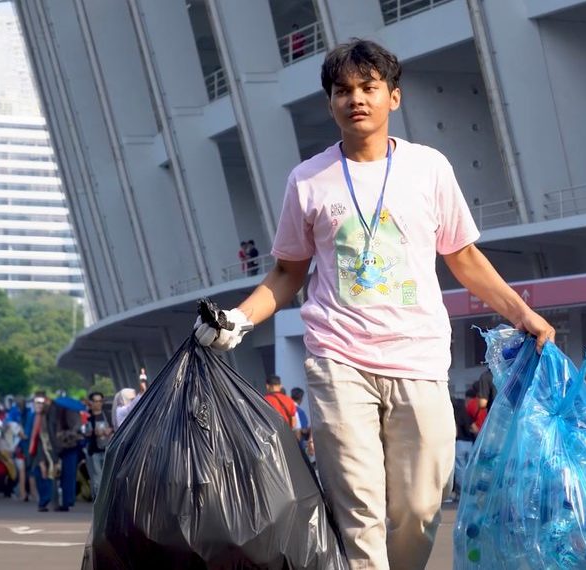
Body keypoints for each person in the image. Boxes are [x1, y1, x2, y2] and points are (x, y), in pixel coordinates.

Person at [193, 39, 555, 569]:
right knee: (359, 510)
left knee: (418, 507)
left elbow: (464, 257)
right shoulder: (307, 181)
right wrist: (238, 320)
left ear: (394, 97)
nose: (355, 99)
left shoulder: (428, 169)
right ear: (330, 103)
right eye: (343, 90)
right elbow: (288, 272)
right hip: (338, 360)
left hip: (420, 360)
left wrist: (524, 315)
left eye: (369, 87)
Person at [48, 394, 85, 512]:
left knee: (61, 475)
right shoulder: (74, 412)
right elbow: (77, 429)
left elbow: (53, 429)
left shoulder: (57, 412)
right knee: (69, 475)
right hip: (71, 446)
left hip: (62, 446)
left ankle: (64, 501)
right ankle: (68, 500)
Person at [26, 396, 55, 512]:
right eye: (36, 403)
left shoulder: (46, 418)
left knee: (44, 475)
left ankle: (44, 500)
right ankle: (43, 500)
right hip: (33, 450)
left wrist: (42, 458)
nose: (38, 405)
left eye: (41, 403)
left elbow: (46, 438)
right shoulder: (32, 416)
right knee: (38, 475)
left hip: (44, 450)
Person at [84, 391, 113, 500]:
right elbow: (83, 430)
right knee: (96, 477)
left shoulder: (107, 414)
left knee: (108, 475)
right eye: (95, 401)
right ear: (91, 402)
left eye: (100, 401)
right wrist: (92, 432)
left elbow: (115, 427)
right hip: (94, 450)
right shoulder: (87, 415)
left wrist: (109, 430)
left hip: (107, 448)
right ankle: (98, 499)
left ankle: (107, 498)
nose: (98, 404)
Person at [452, 387, 478, 502]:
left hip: (460, 443)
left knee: (460, 469)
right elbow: (474, 428)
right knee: (470, 469)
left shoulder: (455, 416)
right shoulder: (467, 414)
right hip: (470, 444)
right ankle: (471, 492)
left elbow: (456, 431)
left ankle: (461, 494)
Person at [7, 396, 32, 502]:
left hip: (19, 447)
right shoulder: (29, 413)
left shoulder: (13, 414)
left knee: (22, 471)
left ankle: (23, 493)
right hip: (25, 446)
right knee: (27, 471)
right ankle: (27, 493)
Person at [291, 387, 315, 462]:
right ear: (301, 398)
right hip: (299, 446)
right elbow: (302, 430)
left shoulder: (287, 408)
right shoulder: (300, 412)